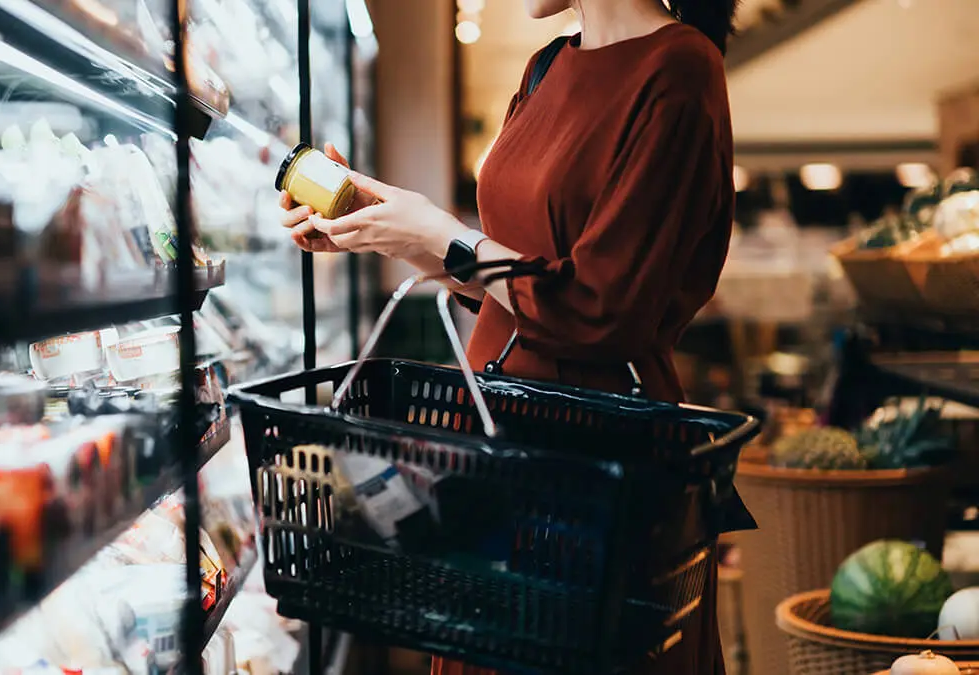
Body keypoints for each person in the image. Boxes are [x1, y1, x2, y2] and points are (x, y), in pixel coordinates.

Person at [278, 0, 742, 672]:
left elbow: (596, 307)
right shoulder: (547, 65)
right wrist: (390, 233)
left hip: (591, 463)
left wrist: (441, 233)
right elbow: (523, 278)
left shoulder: (679, 68)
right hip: (499, 442)